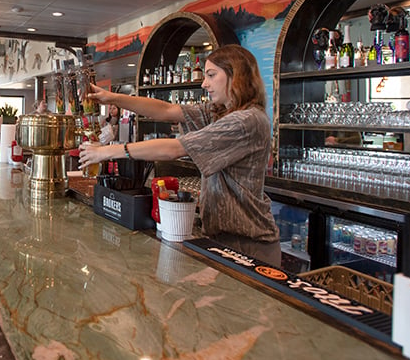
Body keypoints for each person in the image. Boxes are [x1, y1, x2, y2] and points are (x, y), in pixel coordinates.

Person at [79, 45, 280, 265]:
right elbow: (166, 110)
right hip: (223, 238)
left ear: (236, 76)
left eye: (212, 75)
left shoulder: (246, 121)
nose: (205, 84)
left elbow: (175, 149)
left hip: (249, 243)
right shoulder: (220, 113)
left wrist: (108, 151)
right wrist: (113, 98)